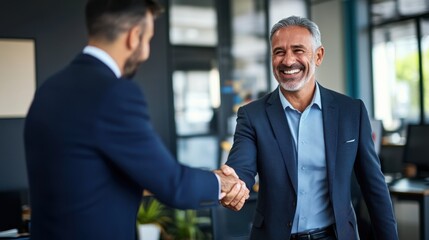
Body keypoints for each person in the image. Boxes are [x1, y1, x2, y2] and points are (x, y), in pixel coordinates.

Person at [24, 0, 248, 239]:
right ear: (134, 36)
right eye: (148, 39)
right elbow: (173, 184)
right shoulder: (114, 93)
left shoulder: (49, 89)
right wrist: (222, 184)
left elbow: (95, 173)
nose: (146, 51)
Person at [220, 16, 398, 240]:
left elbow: (374, 187)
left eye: (298, 50)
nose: (288, 61)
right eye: (279, 52)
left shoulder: (351, 111)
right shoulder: (252, 115)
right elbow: (241, 170)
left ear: (319, 55)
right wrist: (230, 185)